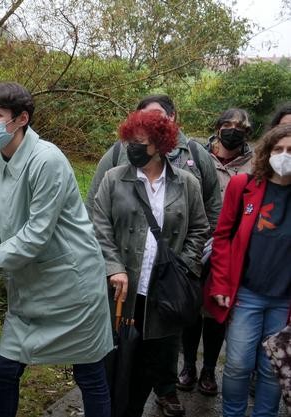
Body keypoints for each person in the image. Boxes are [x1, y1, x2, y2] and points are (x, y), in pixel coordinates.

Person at [0, 82, 113, 417]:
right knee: (5, 370)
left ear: (21, 119)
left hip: (72, 287)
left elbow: (36, 235)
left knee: (89, 374)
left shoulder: (47, 160)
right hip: (30, 287)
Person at [86, 94, 220, 416]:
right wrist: (114, 266)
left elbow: (200, 228)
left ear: (160, 144)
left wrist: (184, 267)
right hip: (121, 291)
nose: (133, 148)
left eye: (141, 143)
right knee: (116, 363)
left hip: (163, 293)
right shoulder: (114, 178)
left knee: (151, 364)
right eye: (130, 141)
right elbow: (98, 222)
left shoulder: (186, 184)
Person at [205, 124, 291, 417]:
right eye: (278, 149)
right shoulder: (244, 186)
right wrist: (219, 284)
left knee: (271, 368)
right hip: (247, 293)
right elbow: (222, 238)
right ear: (266, 153)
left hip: (284, 300)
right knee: (239, 364)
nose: (284, 156)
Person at [177, 108, 254, 396]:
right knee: (191, 308)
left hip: (230, 248)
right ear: (218, 127)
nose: (233, 131)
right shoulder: (196, 155)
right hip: (195, 241)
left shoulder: (255, 164)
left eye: (241, 127)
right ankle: (188, 366)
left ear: (248, 133)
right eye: (228, 125)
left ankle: (209, 369)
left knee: (216, 310)